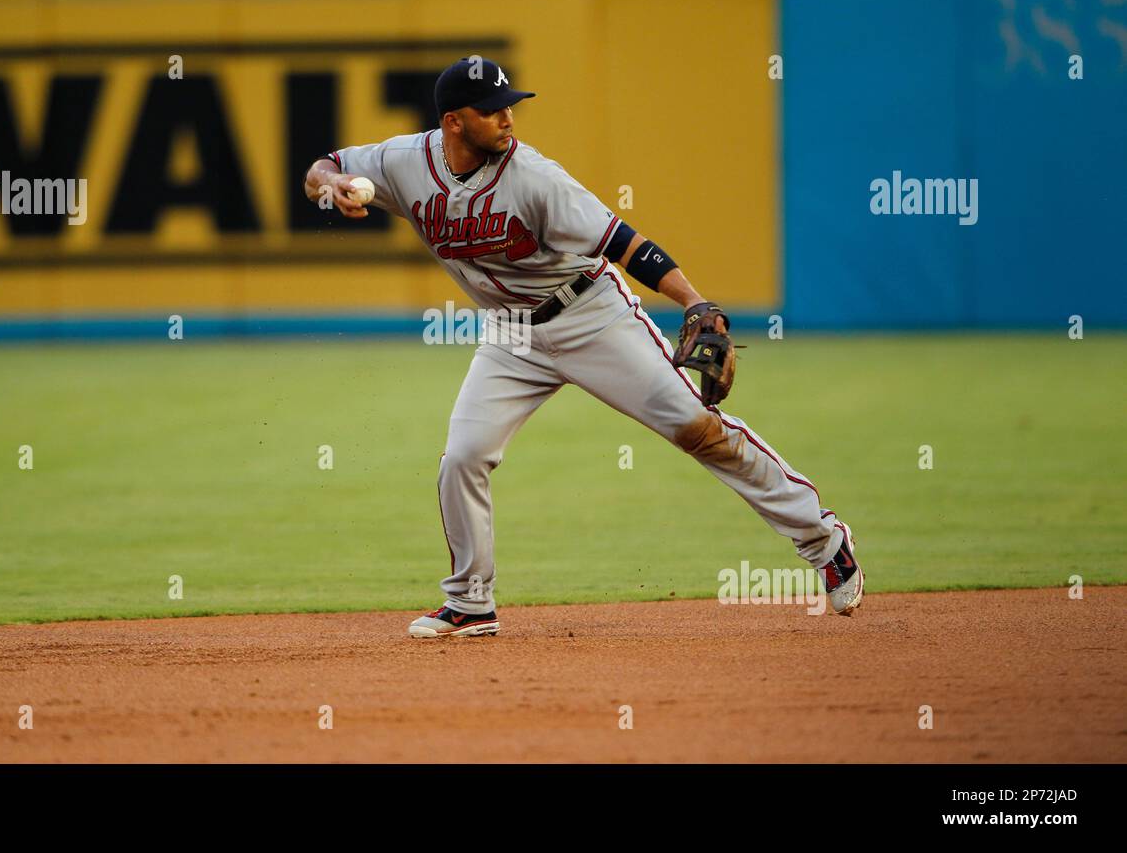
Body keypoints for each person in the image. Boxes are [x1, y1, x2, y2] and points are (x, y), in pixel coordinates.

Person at [303, 57, 863, 637]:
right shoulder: (403, 163)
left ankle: (824, 540)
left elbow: (627, 245)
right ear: (453, 122)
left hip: (590, 316)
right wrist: (331, 186)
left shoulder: (536, 178)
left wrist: (694, 302)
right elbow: (324, 167)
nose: (507, 119)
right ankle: (471, 601)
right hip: (511, 335)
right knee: (464, 457)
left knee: (699, 429)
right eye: (492, 111)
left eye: (510, 107)